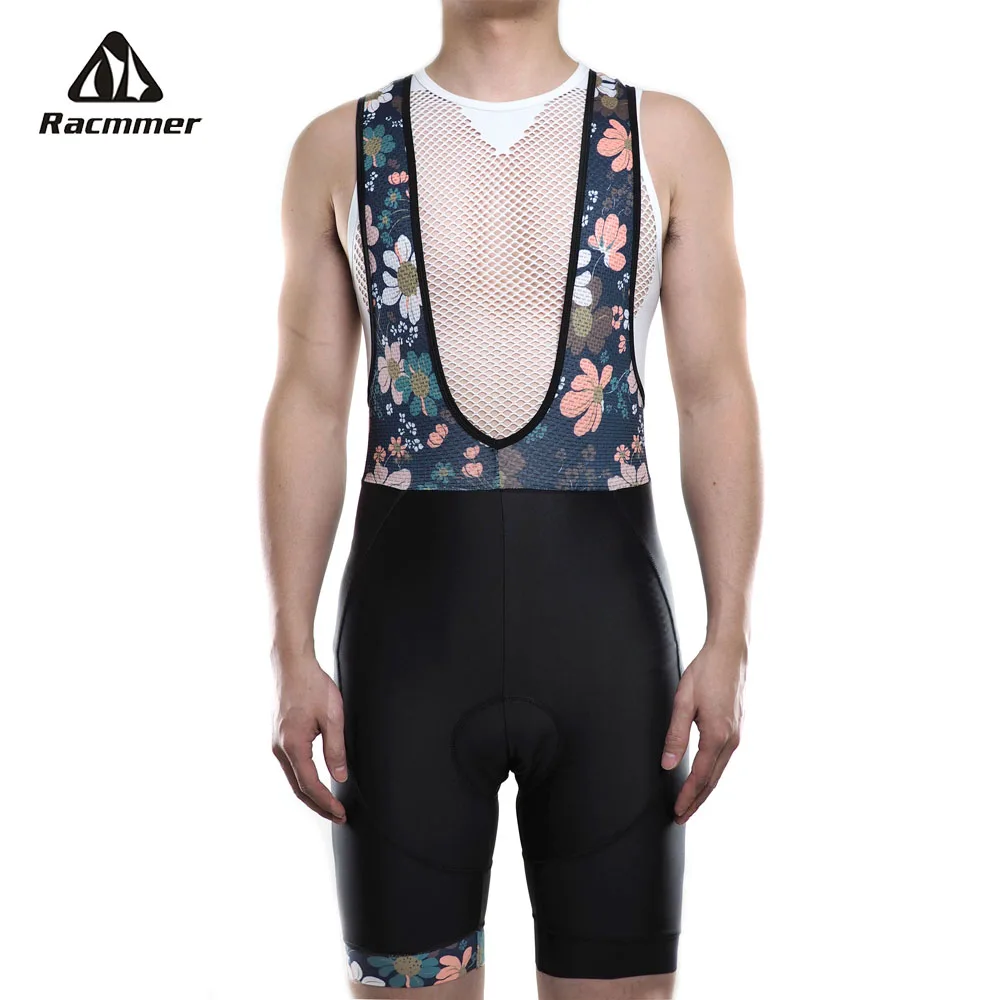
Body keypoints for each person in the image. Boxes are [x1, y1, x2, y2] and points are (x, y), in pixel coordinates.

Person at [261, 2, 761, 997]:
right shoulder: (338, 147)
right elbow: (309, 403)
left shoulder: (666, 137)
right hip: (403, 666)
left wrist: (730, 635)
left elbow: (715, 392)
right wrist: (290, 648)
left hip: (611, 663)